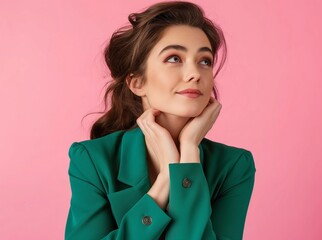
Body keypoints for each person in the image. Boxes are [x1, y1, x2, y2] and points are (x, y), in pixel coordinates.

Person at [65, 1, 256, 239]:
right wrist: (165, 180)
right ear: (137, 82)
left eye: (204, 61)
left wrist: (187, 157)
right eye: (174, 58)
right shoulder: (93, 160)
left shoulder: (233, 166)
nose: (195, 73)